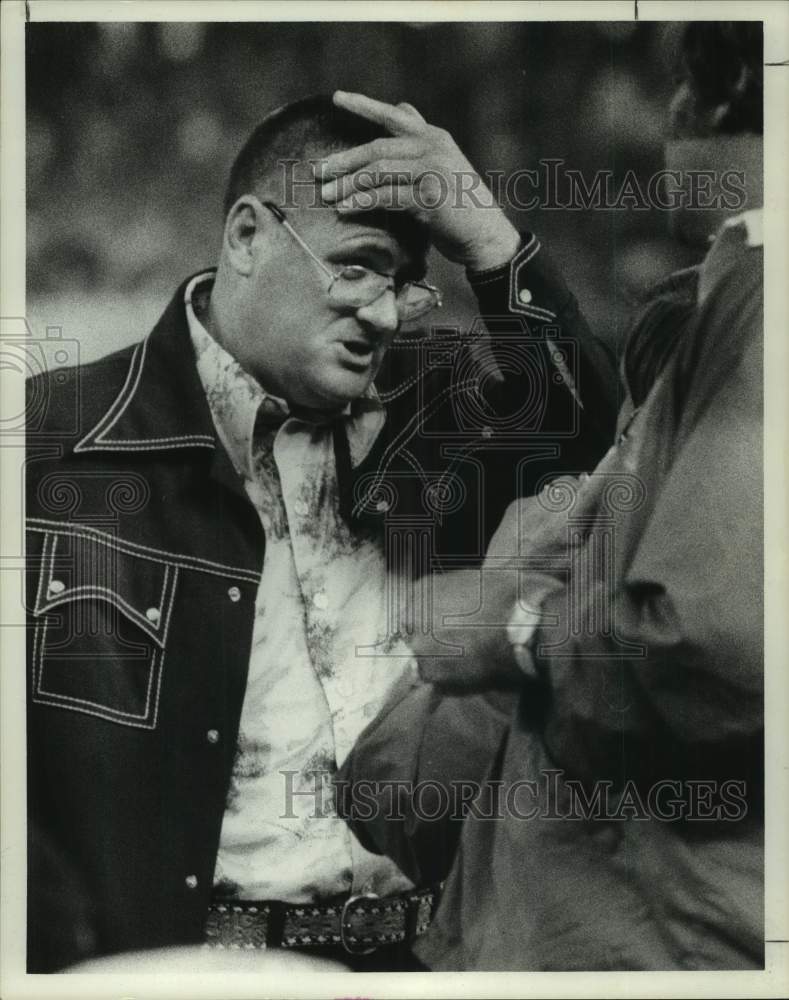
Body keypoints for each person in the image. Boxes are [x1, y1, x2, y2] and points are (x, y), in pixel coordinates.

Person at [25, 93, 617, 971]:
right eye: (356, 268)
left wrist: (491, 242)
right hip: (184, 972)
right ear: (247, 238)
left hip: (428, 956)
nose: (383, 315)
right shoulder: (56, 442)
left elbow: (590, 427)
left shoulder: (432, 416)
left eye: (405, 283)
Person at [336, 22, 764, 969]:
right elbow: (402, 796)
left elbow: (714, 654)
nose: (381, 310)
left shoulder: (759, 300)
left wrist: (515, 625)